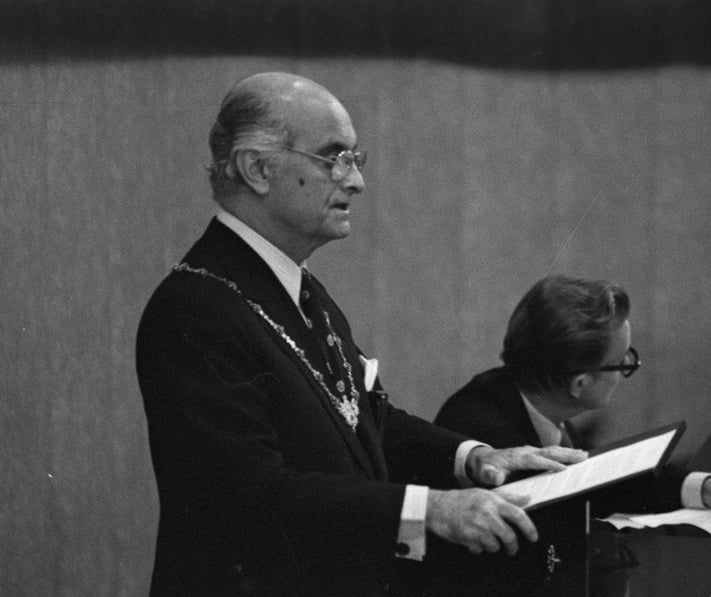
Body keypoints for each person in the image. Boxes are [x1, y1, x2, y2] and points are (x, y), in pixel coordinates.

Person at [135, 72, 585, 596]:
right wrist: (429, 509)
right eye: (334, 159)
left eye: (355, 160)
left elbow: (366, 421)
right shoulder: (194, 309)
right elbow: (255, 496)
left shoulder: (299, 288)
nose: (355, 182)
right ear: (258, 168)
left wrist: (475, 458)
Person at [434, 275, 711, 540]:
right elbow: (587, 541)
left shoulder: (529, 393)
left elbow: (598, 483)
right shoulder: (490, 438)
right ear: (580, 384)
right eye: (623, 361)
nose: (627, 369)